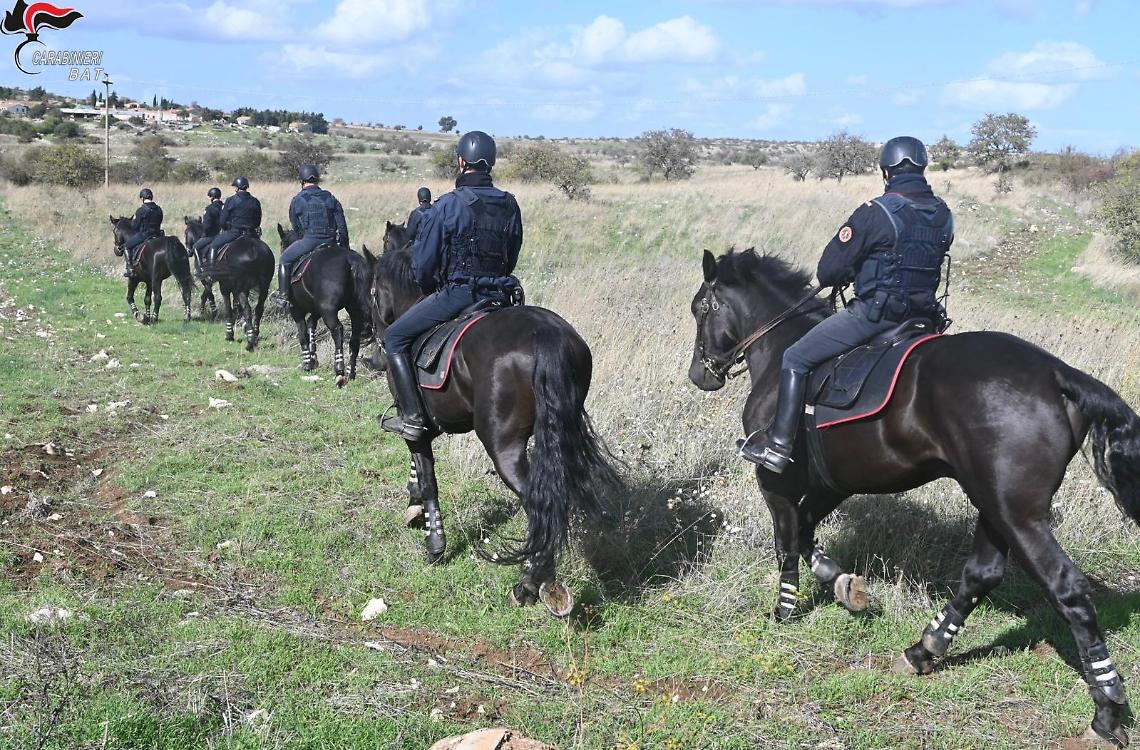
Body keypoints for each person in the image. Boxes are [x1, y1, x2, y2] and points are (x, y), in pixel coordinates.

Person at [738, 136, 954, 472]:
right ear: (922, 169)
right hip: (925, 320)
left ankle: (778, 447)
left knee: (794, 357)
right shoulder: (943, 214)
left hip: (875, 317)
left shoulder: (876, 213)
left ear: (886, 172)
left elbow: (828, 271)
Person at [379, 130, 523, 441]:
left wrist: (434, 285)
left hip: (459, 294)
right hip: (501, 294)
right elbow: (511, 257)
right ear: (492, 163)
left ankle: (413, 418)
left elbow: (424, 266)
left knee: (394, 337)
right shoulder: (510, 204)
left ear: (460, 161)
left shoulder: (447, 206)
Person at [272, 164, 350, 307]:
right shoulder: (331, 198)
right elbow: (342, 227)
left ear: (302, 181)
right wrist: (345, 246)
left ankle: (283, 296)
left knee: (284, 259)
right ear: (317, 180)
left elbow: (296, 227)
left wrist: (303, 238)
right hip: (331, 242)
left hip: (309, 241)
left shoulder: (298, 199)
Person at [206, 176, 262, 269]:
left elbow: (222, 221)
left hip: (234, 233)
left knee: (214, 246)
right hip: (251, 234)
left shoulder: (230, 200)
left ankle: (211, 273)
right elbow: (257, 222)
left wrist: (226, 228)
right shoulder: (255, 201)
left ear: (237, 188)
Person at [123, 188, 163, 277]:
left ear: (143, 198)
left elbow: (135, 227)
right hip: (158, 235)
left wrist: (133, 221)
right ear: (151, 197)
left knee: (126, 246)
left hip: (145, 235)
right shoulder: (159, 209)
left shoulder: (141, 210)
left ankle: (130, 269)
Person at [192, 186, 223, 270]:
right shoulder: (224, 207)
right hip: (224, 234)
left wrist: (204, 234)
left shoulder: (209, 209)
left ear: (211, 197)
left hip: (212, 236)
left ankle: (201, 269)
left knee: (195, 247)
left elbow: (207, 226)